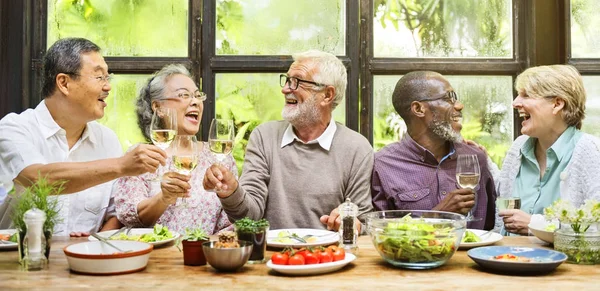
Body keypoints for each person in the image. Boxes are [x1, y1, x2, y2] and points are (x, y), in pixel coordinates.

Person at [0, 38, 166, 236]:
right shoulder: (13, 128)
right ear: (64, 83)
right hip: (18, 262)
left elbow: (116, 214)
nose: (108, 87)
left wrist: (96, 240)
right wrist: (121, 166)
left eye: (108, 78)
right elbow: (38, 179)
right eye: (99, 77)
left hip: (84, 263)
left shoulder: (108, 140)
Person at [203, 50, 374, 232]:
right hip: (271, 257)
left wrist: (349, 223)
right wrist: (231, 192)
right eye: (287, 80)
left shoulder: (357, 148)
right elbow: (249, 217)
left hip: (328, 257)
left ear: (327, 95)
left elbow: (362, 223)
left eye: (297, 82)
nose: (285, 89)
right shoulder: (264, 137)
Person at [112, 64, 234, 234]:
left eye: (198, 96)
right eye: (184, 95)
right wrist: (163, 198)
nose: (195, 102)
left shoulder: (219, 157)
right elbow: (129, 218)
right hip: (154, 257)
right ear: (158, 107)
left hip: (203, 256)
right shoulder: (140, 156)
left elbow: (231, 223)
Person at [371, 71, 497, 230]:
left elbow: (489, 225)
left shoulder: (476, 158)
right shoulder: (383, 165)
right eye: (448, 99)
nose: (459, 105)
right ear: (418, 109)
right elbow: (382, 234)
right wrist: (437, 216)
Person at [495, 65, 600, 235]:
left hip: (562, 262)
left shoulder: (590, 152)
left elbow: (596, 229)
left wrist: (534, 225)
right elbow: (501, 197)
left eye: (526, 95)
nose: (515, 103)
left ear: (557, 104)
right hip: (507, 258)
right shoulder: (519, 147)